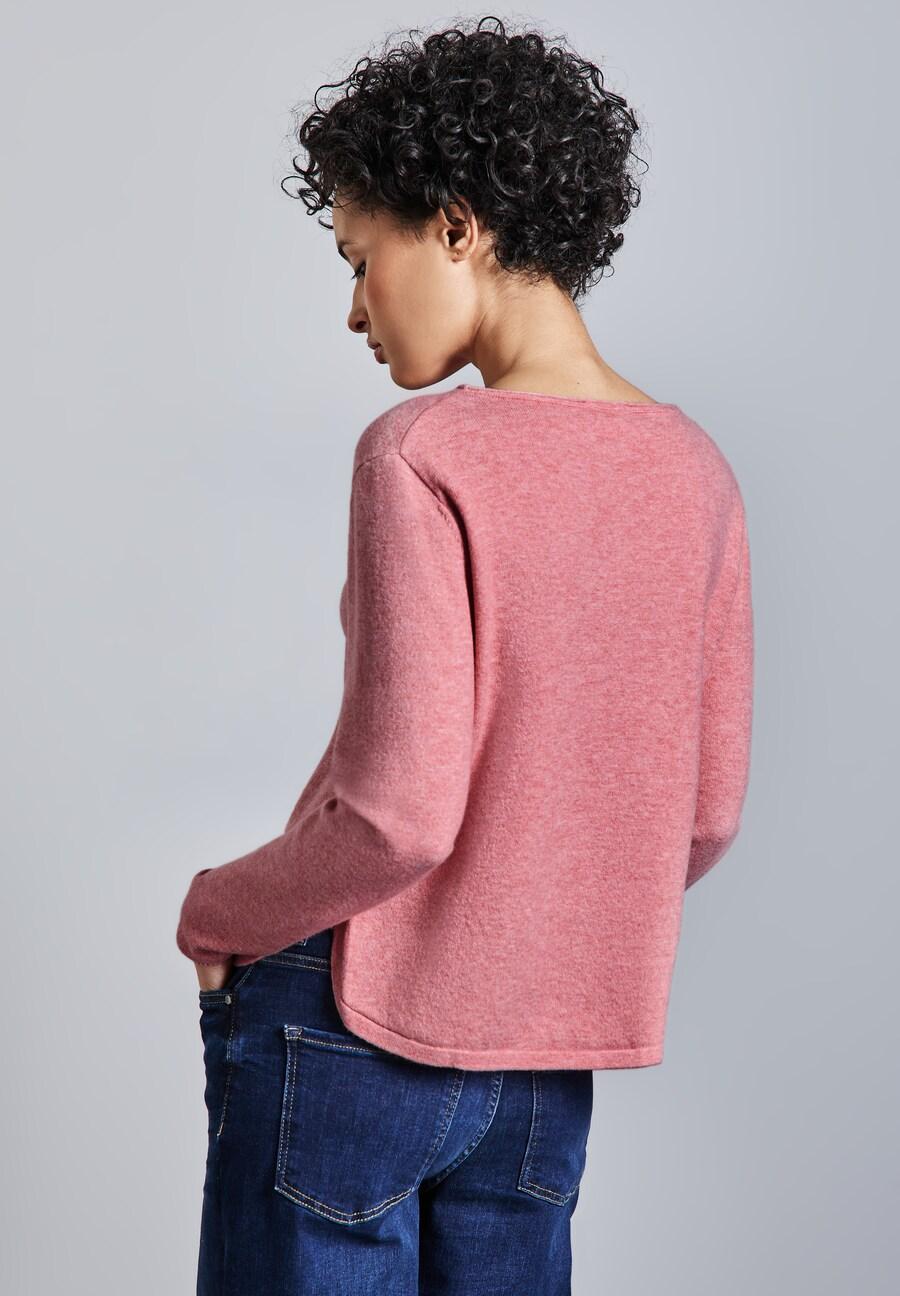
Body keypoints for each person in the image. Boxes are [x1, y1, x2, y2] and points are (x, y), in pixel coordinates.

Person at [175, 16, 754, 1294]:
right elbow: (704, 817)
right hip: (544, 1065)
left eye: (360, 258)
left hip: (351, 1025)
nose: (353, 309)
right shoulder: (697, 473)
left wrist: (218, 908)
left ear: (455, 226)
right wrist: (531, 928)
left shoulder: (424, 452)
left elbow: (398, 815)